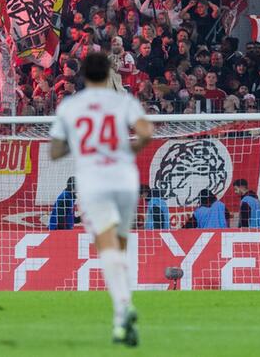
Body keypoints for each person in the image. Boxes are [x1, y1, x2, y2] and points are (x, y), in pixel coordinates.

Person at [49, 51, 154, 347]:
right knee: (122, 243)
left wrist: (82, 144)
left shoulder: (72, 106)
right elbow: (146, 131)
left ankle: (123, 307)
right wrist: (129, 150)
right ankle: (123, 319)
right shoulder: (124, 101)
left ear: (83, 75)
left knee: (106, 244)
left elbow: (55, 151)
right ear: (109, 74)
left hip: (94, 180)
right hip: (125, 177)